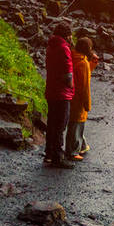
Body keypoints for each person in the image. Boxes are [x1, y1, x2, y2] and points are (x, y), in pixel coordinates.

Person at [43, 22, 76, 169]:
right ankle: (58, 157)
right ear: (67, 35)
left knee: (51, 124)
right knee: (60, 125)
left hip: (51, 90)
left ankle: (49, 154)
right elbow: (67, 74)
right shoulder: (64, 48)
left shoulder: (51, 46)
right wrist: (72, 85)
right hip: (62, 93)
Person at [67, 35, 95, 160]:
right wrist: (87, 104)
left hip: (70, 96)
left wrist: (92, 63)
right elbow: (85, 86)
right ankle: (73, 151)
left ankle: (81, 146)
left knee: (73, 124)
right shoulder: (83, 63)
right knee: (77, 124)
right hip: (78, 99)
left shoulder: (73, 57)